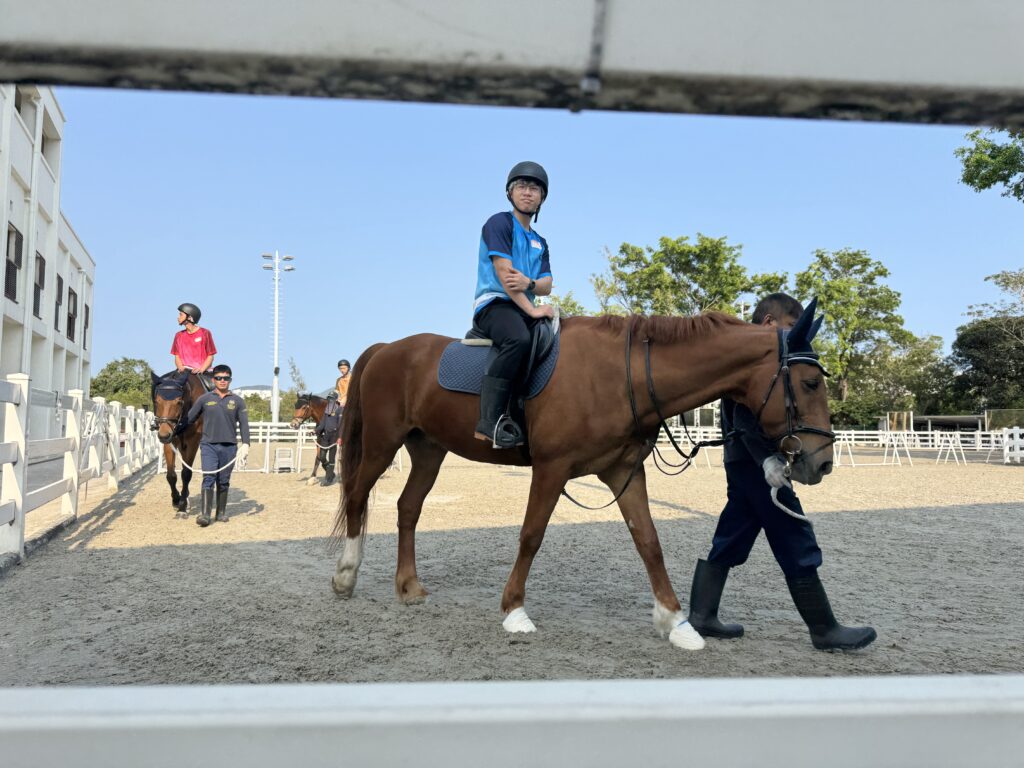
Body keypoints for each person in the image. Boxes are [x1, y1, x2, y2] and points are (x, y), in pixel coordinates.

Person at [686, 293, 877, 651]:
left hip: (742, 462)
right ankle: (824, 629)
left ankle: (702, 614)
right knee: (793, 534)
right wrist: (766, 460)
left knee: (732, 534)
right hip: (754, 462)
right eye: (789, 327)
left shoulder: (756, 360)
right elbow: (742, 415)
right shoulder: (753, 362)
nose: (791, 335)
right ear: (769, 324)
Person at [472, 161, 556, 448]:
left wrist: (529, 284)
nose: (528, 192)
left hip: (522, 308)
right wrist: (532, 308)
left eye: (534, 188)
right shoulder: (499, 223)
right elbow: (505, 275)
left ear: (542, 198)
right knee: (518, 339)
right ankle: (490, 422)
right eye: (521, 186)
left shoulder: (540, 242)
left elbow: (546, 284)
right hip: (494, 305)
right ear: (510, 192)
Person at [181, 364, 250, 527]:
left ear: (230, 380)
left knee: (224, 480)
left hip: (229, 447)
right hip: (208, 446)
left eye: (226, 378)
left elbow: (244, 425)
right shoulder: (204, 399)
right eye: (219, 378)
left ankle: (220, 513)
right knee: (208, 478)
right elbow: (188, 419)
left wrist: (246, 443)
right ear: (213, 380)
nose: (222, 381)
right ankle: (205, 514)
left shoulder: (238, 401)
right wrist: (171, 429)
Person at [171, 302, 217, 390]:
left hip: (203, 371)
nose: (178, 317)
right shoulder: (178, 335)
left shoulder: (205, 333)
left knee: (216, 390)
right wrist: (180, 368)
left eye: (181, 315)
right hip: (184, 371)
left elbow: (210, 356)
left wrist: (201, 369)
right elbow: (177, 356)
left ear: (190, 317)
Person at [315, 391, 343, 486]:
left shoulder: (340, 410)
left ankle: (328, 479)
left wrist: (340, 437)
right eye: (329, 398)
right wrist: (315, 431)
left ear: (335, 400)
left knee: (331, 458)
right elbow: (322, 424)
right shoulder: (326, 410)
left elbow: (341, 425)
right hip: (325, 436)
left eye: (331, 398)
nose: (330, 400)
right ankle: (330, 472)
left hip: (334, 436)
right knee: (322, 456)